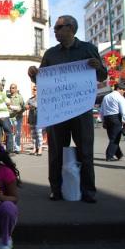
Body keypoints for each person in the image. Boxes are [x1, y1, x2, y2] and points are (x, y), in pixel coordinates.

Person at [28, 15, 107, 203]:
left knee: (85, 151)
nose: (54, 31)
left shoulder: (89, 49)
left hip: (82, 111)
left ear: (70, 28)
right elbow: (41, 77)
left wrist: (98, 67)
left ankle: (88, 191)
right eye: (55, 28)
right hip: (57, 111)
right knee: (56, 151)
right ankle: (56, 189)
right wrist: (33, 73)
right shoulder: (51, 54)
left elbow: (103, 75)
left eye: (58, 27)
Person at [100, 83, 125, 162]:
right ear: (119, 89)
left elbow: (101, 111)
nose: (124, 91)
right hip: (116, 118)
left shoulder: (106, 97)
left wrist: (103, 121)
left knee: (112, 137)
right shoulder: (120, 98)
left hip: (107, 118)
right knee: (115, 138)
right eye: (123, 89)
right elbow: (124, 111)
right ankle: (109, 156)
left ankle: (119, 154)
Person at [26, 85, 43, 156]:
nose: (34, 91)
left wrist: (30, 105)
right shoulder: (30, 99)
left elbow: (36, 105)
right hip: (32, 119)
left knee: (39, 134)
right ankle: (34, 148)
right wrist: (29, 106)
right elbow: (26, 105)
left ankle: (40, 148)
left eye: (35, 89)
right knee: (33, 135)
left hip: (39, 119)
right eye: (33, 89)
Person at [8, 83, 24, 154]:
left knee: (17, 133)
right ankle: (11, 148)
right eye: (11, 88)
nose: (12, 89)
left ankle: (17, 148)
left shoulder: (20, 97)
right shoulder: (7, 97)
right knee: (10, 133)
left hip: (18, 117)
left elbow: (23, 106)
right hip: (9, 117)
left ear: (16, 89)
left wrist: (20, 111)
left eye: (13, 88)